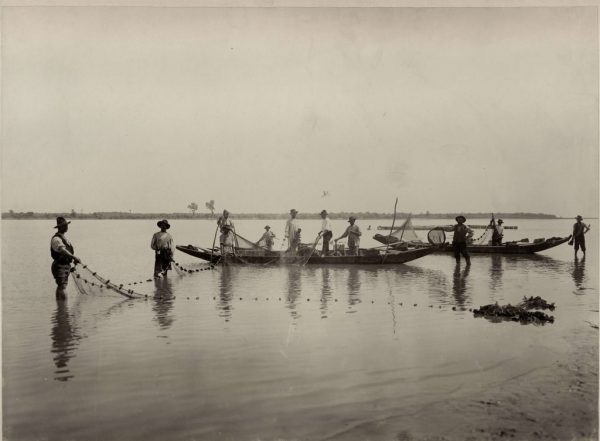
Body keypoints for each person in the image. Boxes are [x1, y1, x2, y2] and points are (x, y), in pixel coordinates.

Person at [50, 217, 81, 299]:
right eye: (64, 225)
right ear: (60, 227)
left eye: (66, 225)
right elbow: (62, 250)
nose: (67, 227)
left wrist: (72, 260)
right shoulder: (56, 239)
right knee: (62, 286)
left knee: (61, 286)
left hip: (65, 265)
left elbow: (67, 251)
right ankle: (64, 309)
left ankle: (60, 308)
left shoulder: (64, 238)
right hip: (59, 265)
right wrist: (74, 257)